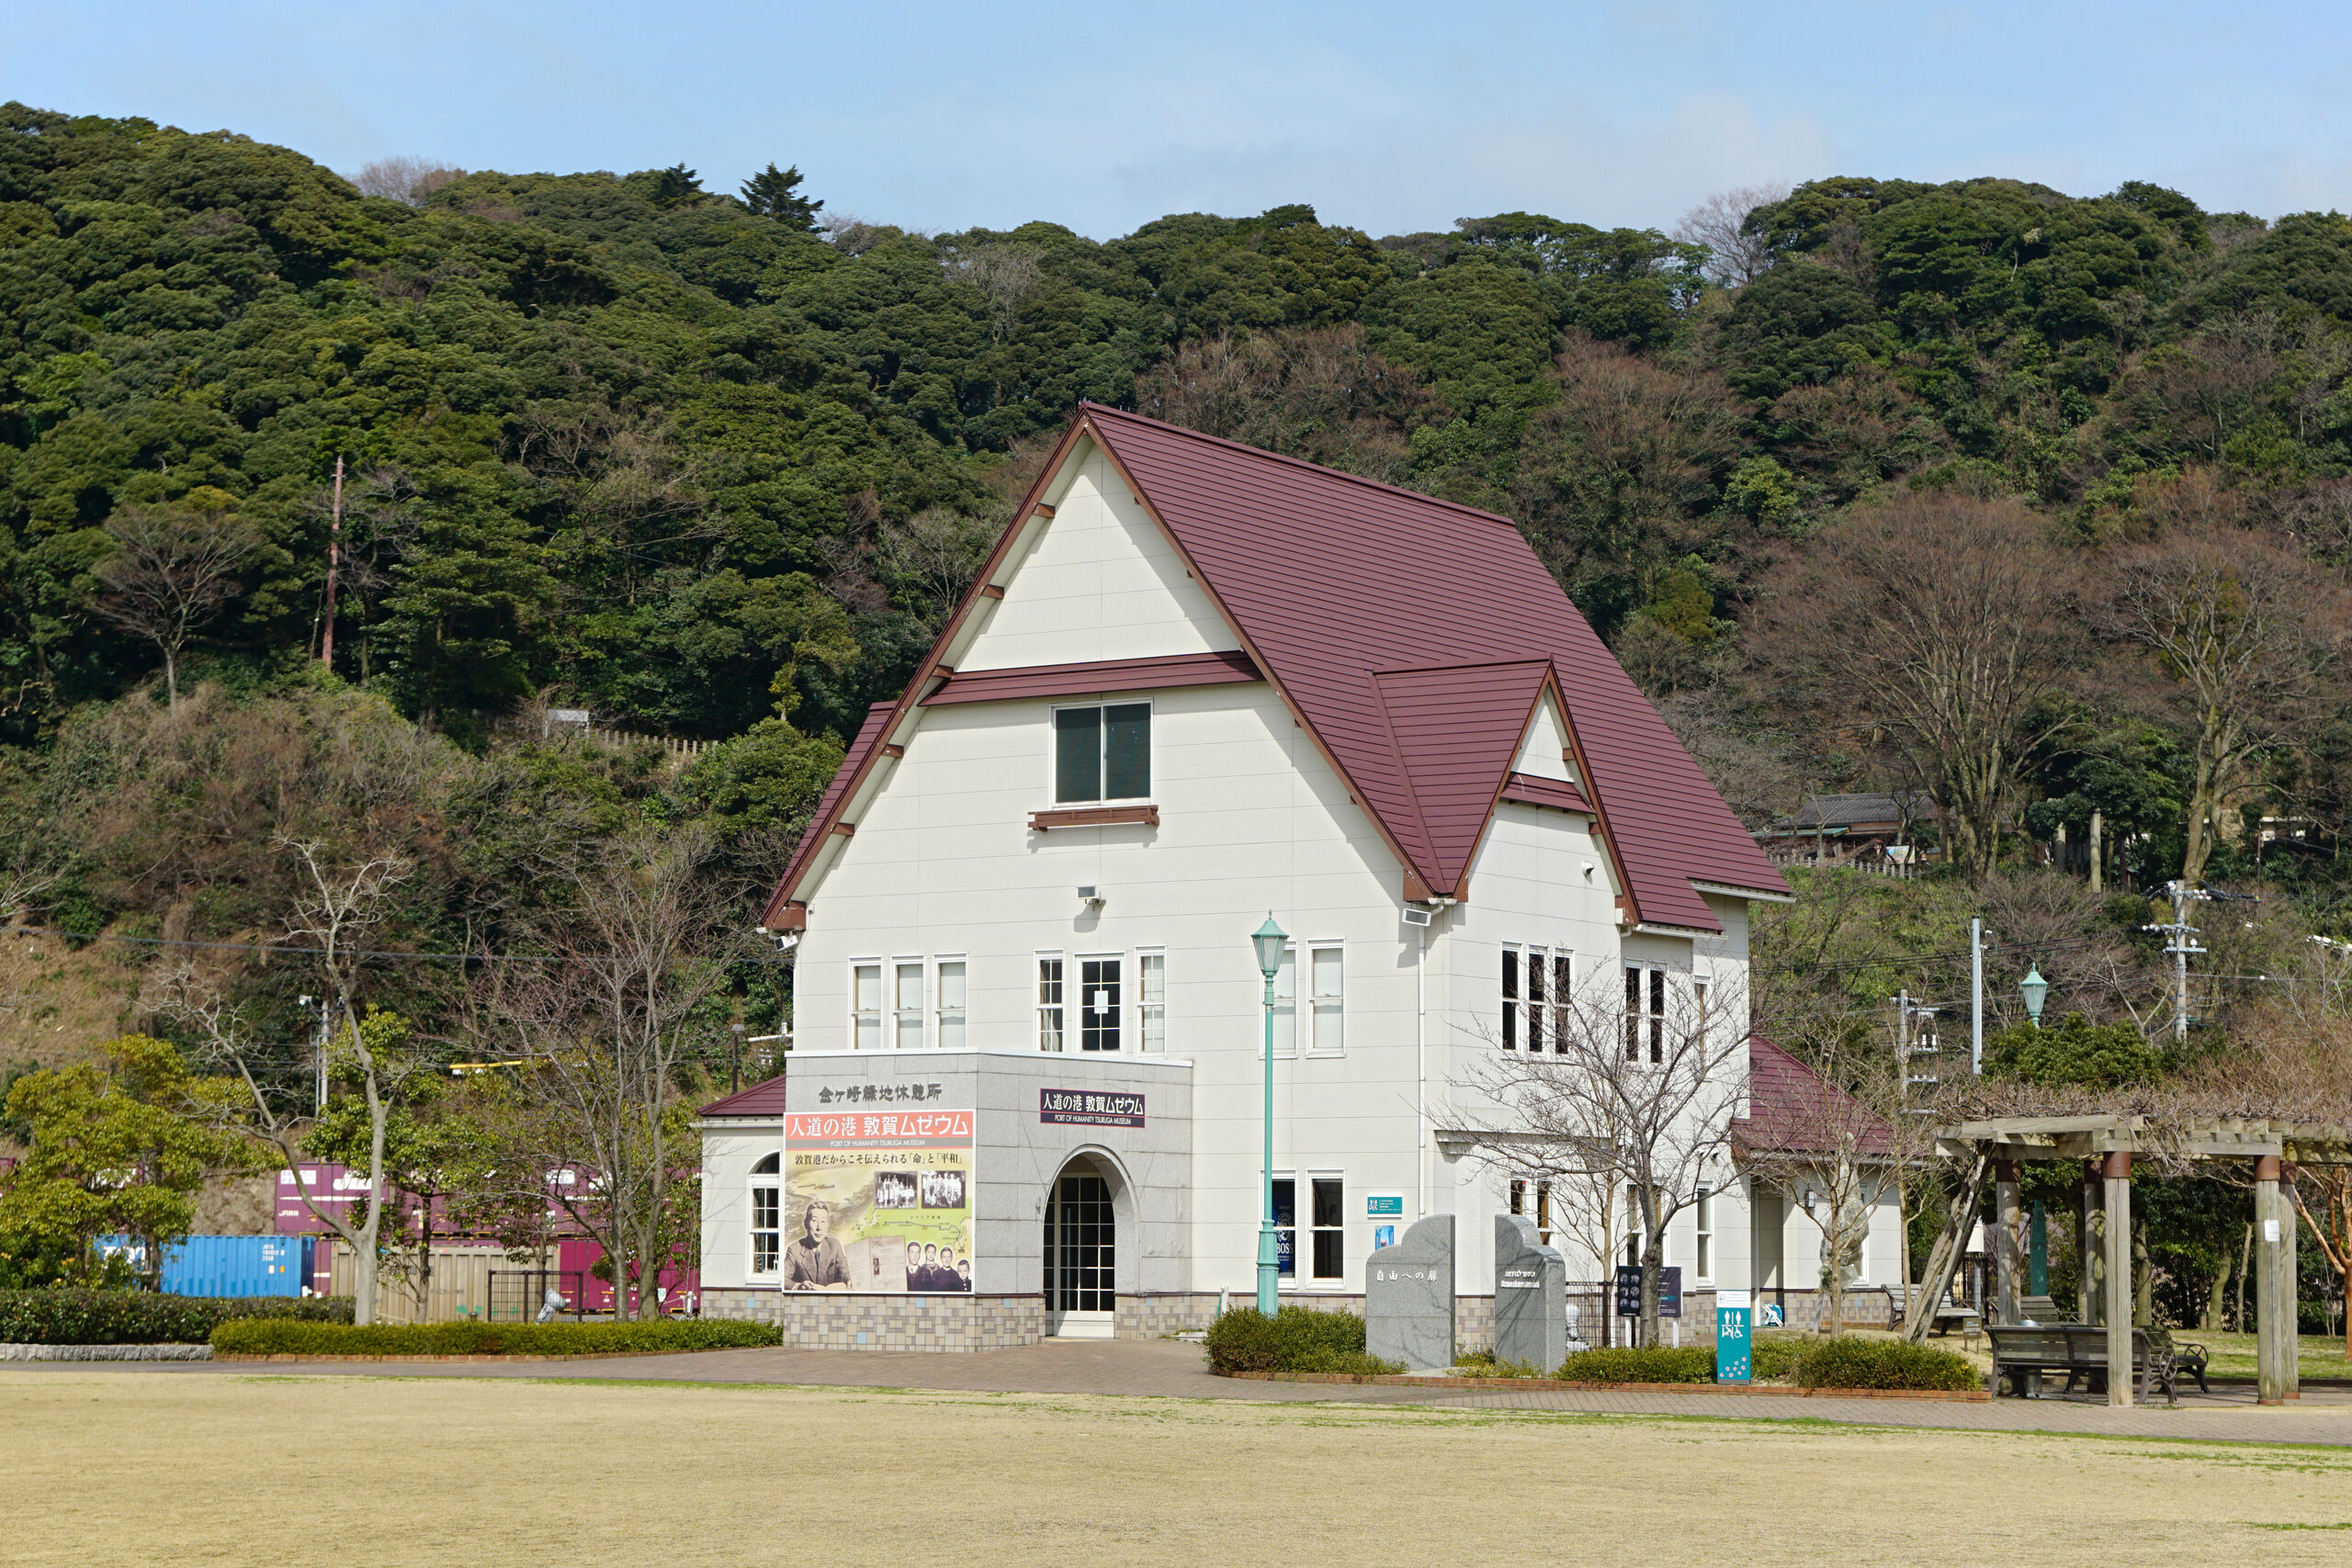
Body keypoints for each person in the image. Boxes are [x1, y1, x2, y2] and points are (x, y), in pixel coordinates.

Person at [784, 1200, 850, 1291]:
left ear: (827, 1224)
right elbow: (783, 1278)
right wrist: (799, 1286)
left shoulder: (835, 1245)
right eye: (814, 1221)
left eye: (823, 1222)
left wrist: (849, 1280)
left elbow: (845, 1273)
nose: (819, 1228)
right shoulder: (794, 1249)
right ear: (806, 1223)